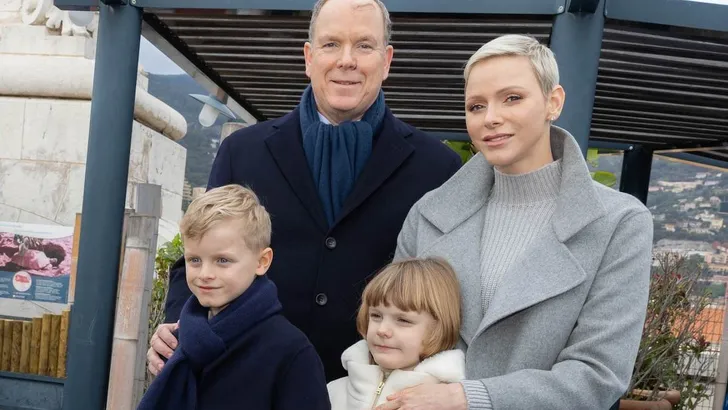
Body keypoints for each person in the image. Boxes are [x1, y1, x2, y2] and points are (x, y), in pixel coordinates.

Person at [147, 0, 461, 381]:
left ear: (386, 60)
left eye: (364, 45)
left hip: (371, 393)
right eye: (331, 44)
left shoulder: (437, 167)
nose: (347, 60)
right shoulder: (242, 151)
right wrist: (176, 325)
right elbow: (196, 254)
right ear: (309, 58)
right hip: (245, 380)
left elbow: (444, 293)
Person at [378, 35, 654, 409]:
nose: (491, 117)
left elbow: (598, 375)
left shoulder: (619, 224)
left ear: (553, 102)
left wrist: (472, 397)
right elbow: (390, 335)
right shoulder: (429, 215)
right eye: (476, 106)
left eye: (512, 98)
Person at [138, 185, 330, 410]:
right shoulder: (181, 338)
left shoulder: (291, 353)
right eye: (195, 260)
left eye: (223, 260)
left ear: (262, 262)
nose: (205, 274)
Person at [327, 257, 465, 409]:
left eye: (403, 320)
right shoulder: (332, 392)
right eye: (376, 316)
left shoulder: (448, 404)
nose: (382, 330)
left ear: (439, 329)